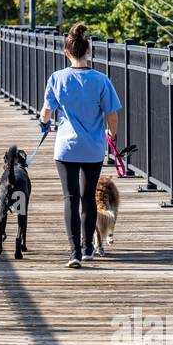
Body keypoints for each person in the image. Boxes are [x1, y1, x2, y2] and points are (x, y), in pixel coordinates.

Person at [39, 23, 122, 268]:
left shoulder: (57, 78)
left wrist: (43, 123)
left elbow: (46, 112)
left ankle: (74, 252)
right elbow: (113, 116)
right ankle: (88, 249)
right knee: (88, 198)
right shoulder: (101, 80)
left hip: (65, 149)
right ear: (89, 51)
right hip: (93, 149)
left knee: (70, 198)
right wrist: (111, 135)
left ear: (66, 53)